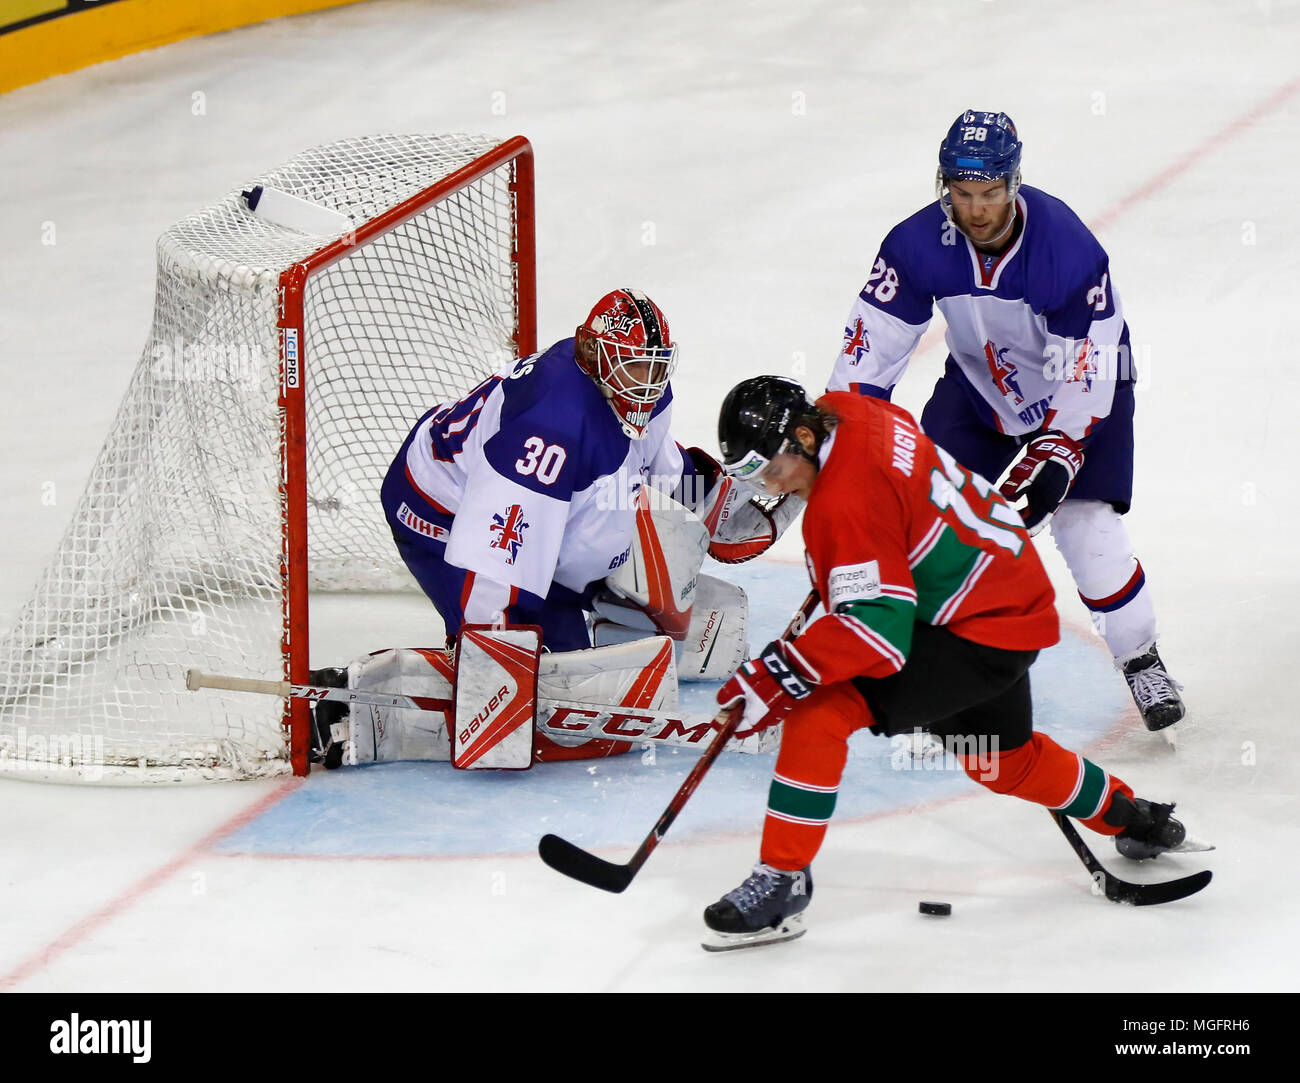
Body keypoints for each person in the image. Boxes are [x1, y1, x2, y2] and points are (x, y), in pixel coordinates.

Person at [701, 376, 1199, 950]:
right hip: (1009, 595)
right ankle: (1131, 817)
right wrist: (862, 565)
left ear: (806, 438)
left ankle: (782, 881)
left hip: (975, 631)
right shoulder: (853, 412)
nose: (768, 483)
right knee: (1001, 761)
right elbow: (898, 490)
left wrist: (783, 672)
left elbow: (876, 638)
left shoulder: (842, 508)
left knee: (818, 712)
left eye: (770, 467)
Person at [309, 288, 792, 767]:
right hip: (442, 513)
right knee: (537, 689)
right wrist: (499, 664)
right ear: (589, 349)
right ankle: (349, 703)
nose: (646, 382)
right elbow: (496, 558)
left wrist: (726, 497)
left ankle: (556, 620)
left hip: (537, 516)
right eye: (633, 366)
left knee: (573, 651)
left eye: (655, 365)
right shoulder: (549, 429)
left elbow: (656, 465)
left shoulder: (641, 391)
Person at [826, 109, 1183, 732]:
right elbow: (869, 355)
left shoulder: (1067, 250)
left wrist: (1056, 457)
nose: (977, 210)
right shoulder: (915, 245)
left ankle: (1141, 656)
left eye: (990, 193)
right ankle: (926, 669)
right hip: (978, 393)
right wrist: (844, 441)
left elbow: (1087, 373)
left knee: (1085, 528)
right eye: (962, 194)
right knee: (923, 520)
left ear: (1014, 183)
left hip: (1081, 395)